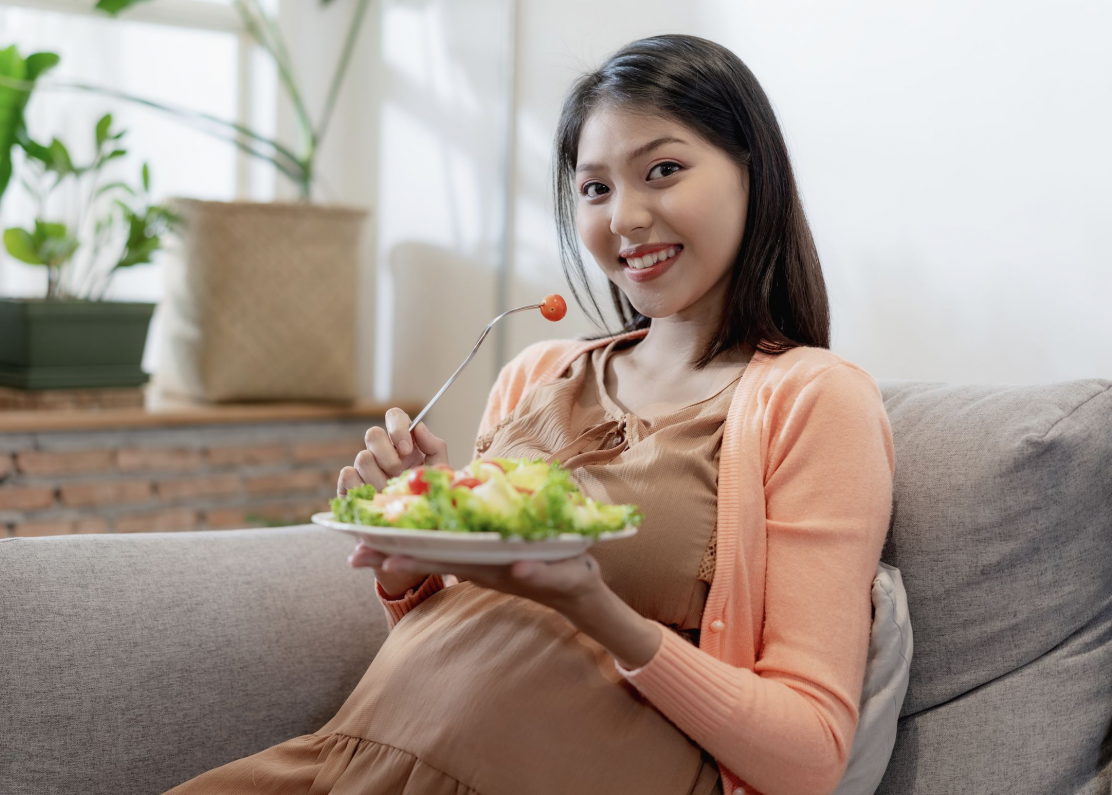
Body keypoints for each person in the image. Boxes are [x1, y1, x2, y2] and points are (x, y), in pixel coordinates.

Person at [166, 33, 894, 795]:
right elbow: (463, 640)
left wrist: (592, 603)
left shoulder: (815, 398)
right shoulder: (536, 374)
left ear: (754, 171)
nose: (624, 217)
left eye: (663, 170)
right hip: (357, 756)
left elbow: (810, 754)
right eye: (595, 188)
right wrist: (413, 555)